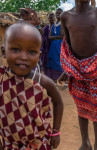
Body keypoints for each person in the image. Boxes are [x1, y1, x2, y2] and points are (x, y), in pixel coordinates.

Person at [59, 0, 97, 150]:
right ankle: (85, 143)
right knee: (80, 105)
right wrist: (68, 68)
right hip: (77, 70)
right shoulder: (66, 16)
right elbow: (68, 45)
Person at [0, 22, 63, 150]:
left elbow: (58, 103)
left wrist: (56, 132)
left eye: (31, 52)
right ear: (3, 51)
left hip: (38, 144)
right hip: (9, 144)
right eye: (16, 49)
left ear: (39, 56)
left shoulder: (44, 82)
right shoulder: (1, 78)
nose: (24, 57)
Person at [47, 8, 64, 82]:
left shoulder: (63, 24)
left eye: (59, 13)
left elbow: (62, 36)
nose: (58, 15)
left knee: (59, 60)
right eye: (57, 13)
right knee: (53, 61)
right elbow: (49, 37)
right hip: (53, 45)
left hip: (59, 45)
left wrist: (54, 37)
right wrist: (56, 37)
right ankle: (54, 78)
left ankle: (61, 78)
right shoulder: (54, 25)